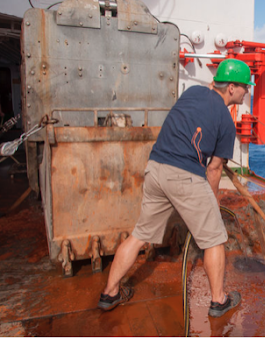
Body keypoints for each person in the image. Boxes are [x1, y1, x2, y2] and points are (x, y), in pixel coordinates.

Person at [97, 59, 255, 316]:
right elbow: (214, 169)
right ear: (232, 88)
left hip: (156, 168)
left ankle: (109, 293)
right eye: (245, 87)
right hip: (185, 175)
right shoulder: (226, 123)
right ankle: (218, 300)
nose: (247, 91)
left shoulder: (192, 92)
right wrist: (212, 203)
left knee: (139, 235)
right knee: (214, 239)